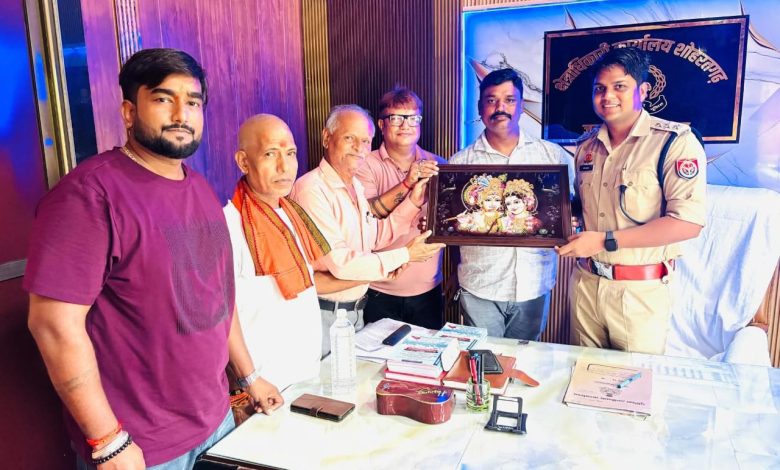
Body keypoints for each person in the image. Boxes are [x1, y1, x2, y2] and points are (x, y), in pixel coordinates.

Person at [24, 48, 282, 469]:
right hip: (140, 446)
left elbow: (218, 300)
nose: (182, 114)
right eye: (163, 99)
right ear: (129, 112)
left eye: (193, 102)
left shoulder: (200, 189)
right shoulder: (88, 195)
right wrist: (108, 441)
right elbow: (53, 325)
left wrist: (248, 376)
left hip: (215, 420)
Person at [556, 47, 706, 354]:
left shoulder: (674, 143)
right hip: (586, 285)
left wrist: (604, 240)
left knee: (633, 381)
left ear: (643, 90)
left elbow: (687, 223)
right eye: (599, 88)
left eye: (619, 86)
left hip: (640, 293)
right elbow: (581, 209)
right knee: (582, 374)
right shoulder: (586, 148)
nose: (607, 96)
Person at [291, 104, 445, 356]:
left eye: (365, 141)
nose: (359, 148)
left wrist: (414, 201)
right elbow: (341, 263)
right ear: (326, 138)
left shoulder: (354, 186)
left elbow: (375, 237)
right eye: (349, 138)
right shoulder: (311, 189)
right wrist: (406, 255)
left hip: (355, 313)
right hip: (324, 313)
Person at [225, 114, 364, 390]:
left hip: (305, 372)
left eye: (290, 154)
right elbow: (223, 314)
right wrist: (250, 379)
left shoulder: (291, 214)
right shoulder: (228, 224)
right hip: (265, 384)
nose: (284, 166)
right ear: (243, 162)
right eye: (270, 154)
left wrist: (379, 273)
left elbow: (307, 283)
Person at [449, 68, 575, 340]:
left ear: (521, 105)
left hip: (533, 284)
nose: (500, 108)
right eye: (491, 100)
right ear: (480, 107)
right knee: (484, 359)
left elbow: (572, 208)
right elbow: (450, 225)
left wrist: (569, 222)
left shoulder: (552, 156)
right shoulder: (460, 164)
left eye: (509, 100)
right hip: (480, 284)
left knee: (525, 358)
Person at [354, 87, 447, 329]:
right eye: (396, 118)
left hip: (428, 289)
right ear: (381, 125)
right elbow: (368, 217)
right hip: (378, 288)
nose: (405, 125)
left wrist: (437, 226)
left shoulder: (439, 165)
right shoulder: (364, 165)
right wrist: (408, 183)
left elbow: (452, 223)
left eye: (412, 118)